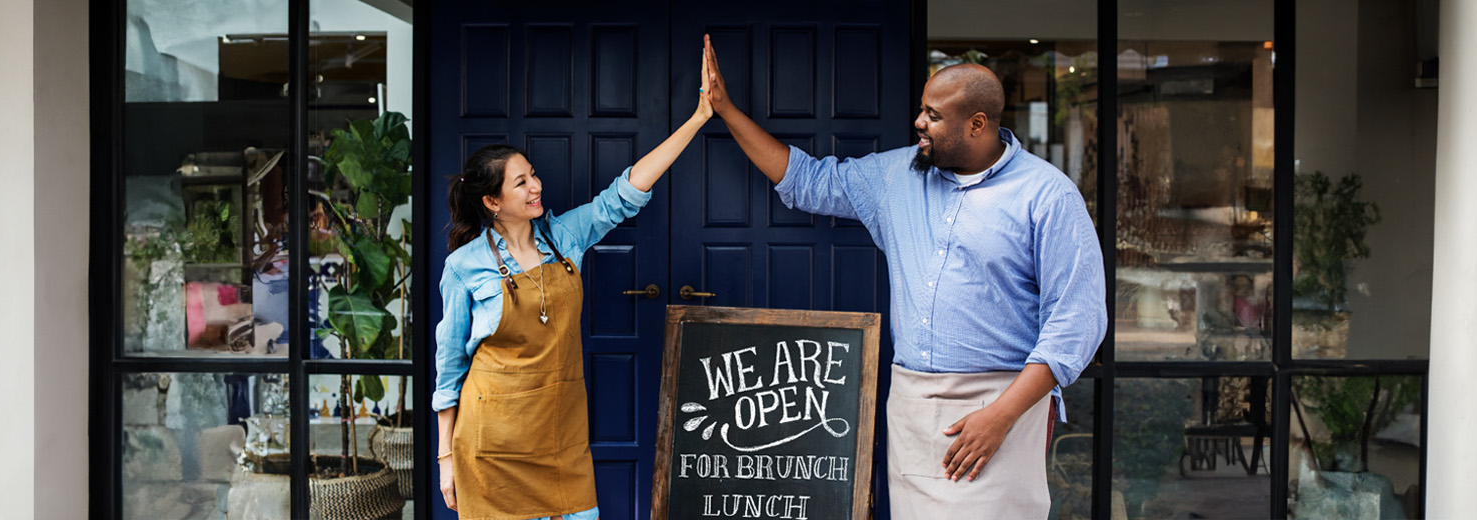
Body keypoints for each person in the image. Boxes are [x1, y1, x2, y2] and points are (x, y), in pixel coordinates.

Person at [700, 36, 1107, 518]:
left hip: (1003, 406)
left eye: (933, 115)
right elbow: (806, 181)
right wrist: (724, 109)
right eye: (922, 109)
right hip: (912, 404)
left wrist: (1000, 416)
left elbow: (1076, 325)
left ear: (977, 124)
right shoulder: (896, 176)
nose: (918, 122)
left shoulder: (1048, 197)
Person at [432, 49, 715, 520]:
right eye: (520, 183)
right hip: (492, 446)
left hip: (560, 435)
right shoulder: (464, 266)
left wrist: (699, 118)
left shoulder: (564, 238)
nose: (535, 186)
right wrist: (445, 459)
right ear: (492, 201)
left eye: (533, 175)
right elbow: (449, 371)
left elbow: (625, 194)